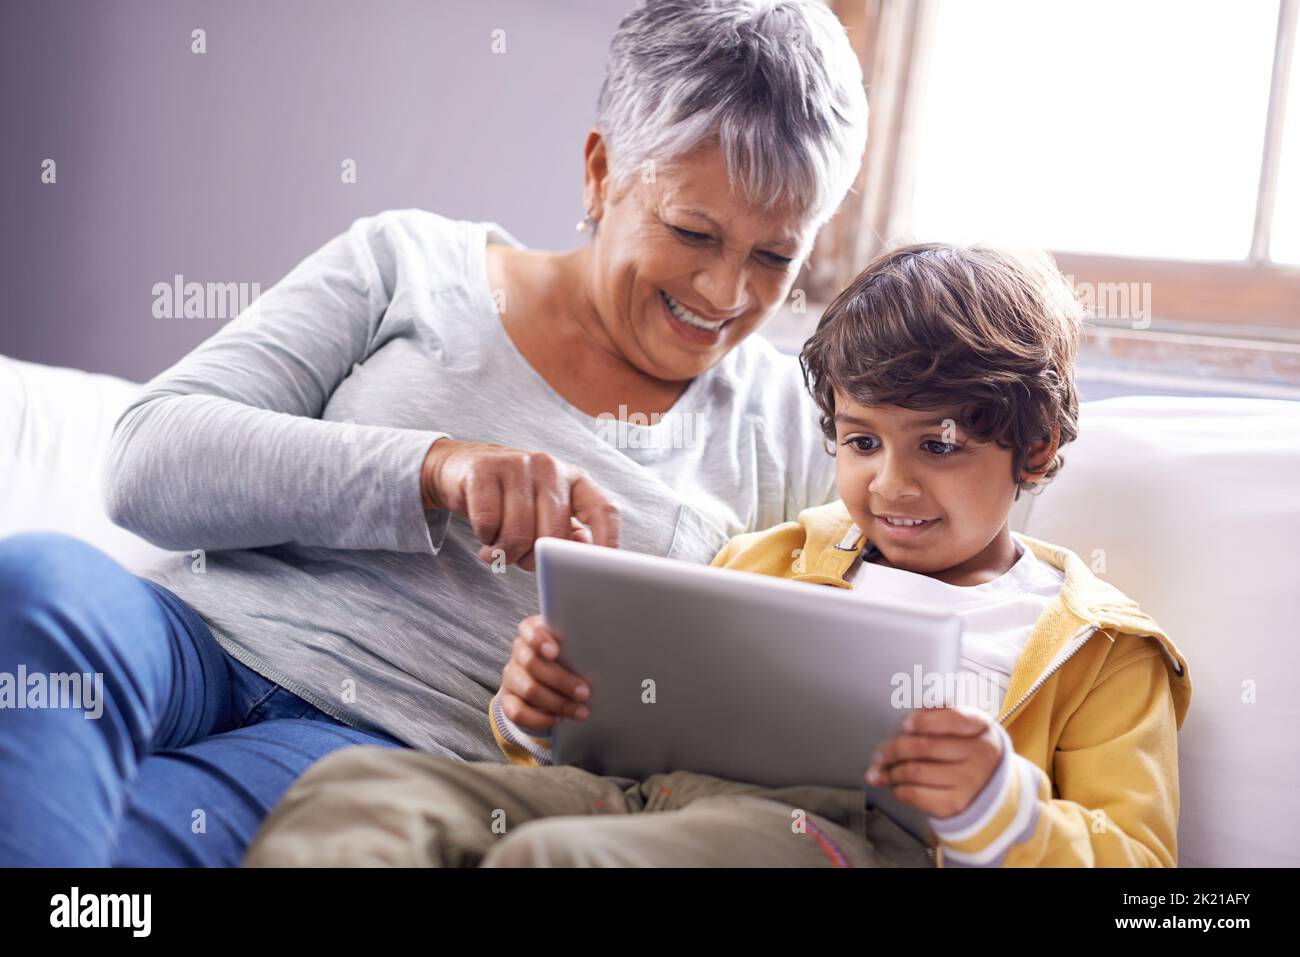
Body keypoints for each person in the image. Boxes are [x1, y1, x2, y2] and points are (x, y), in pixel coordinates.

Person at [0, 0, 869, 866]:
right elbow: (146, 458)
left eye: (774, 257)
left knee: (123, 848)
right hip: (182, 633)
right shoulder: (409, 264)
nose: (723, 292)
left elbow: (821, 691)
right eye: (692, 231)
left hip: (368, 743)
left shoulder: (799, 434)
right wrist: (434, 467)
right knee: (37, 581)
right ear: (602, 172)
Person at [240, 243, 1193, 868]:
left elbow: (1147, 879)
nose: (892, 483)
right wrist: (538, 717)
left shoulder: (1099, 649)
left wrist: (1005, 811)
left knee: (562, 859)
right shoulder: (771, 556)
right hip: (640, 798)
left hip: (836, 843)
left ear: (1033, 452)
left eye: (937, 446)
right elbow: (620, 744)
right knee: (353, 793)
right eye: (862, 442)